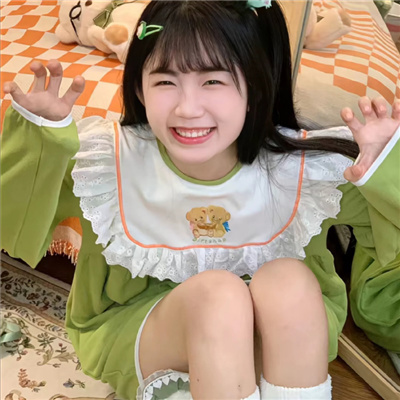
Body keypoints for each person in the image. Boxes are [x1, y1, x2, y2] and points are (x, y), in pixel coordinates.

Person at [1, 1, 399, 399]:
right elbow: (14, 224)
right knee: (218, 297)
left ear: (255, 88)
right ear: (139, 87)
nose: (187, 109)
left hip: (279, 337)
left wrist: (387, 166)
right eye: (165, 82)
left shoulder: (304, 170)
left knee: (290, 281)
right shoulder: (109, 160)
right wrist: (40, 140)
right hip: (143, 329)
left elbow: (390, 256)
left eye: (212, 82)